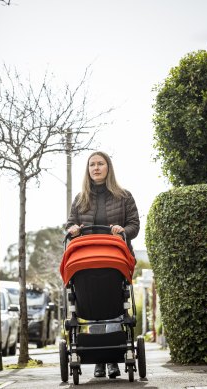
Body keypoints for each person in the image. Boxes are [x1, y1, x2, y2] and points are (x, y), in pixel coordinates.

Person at [66, 151, 140, 379]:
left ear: (108, 167)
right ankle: (100, 360)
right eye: (92, 165)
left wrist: (123, 231)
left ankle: (112, 358)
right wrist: (72, 230)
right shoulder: (80, 199)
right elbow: (69, 225)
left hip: (113, 259)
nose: (96, 168)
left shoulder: (124, 196)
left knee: (113, 305)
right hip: (86, 261)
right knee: (92, 307)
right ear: (88, 170)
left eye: (100, 164)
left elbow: (134, 225)